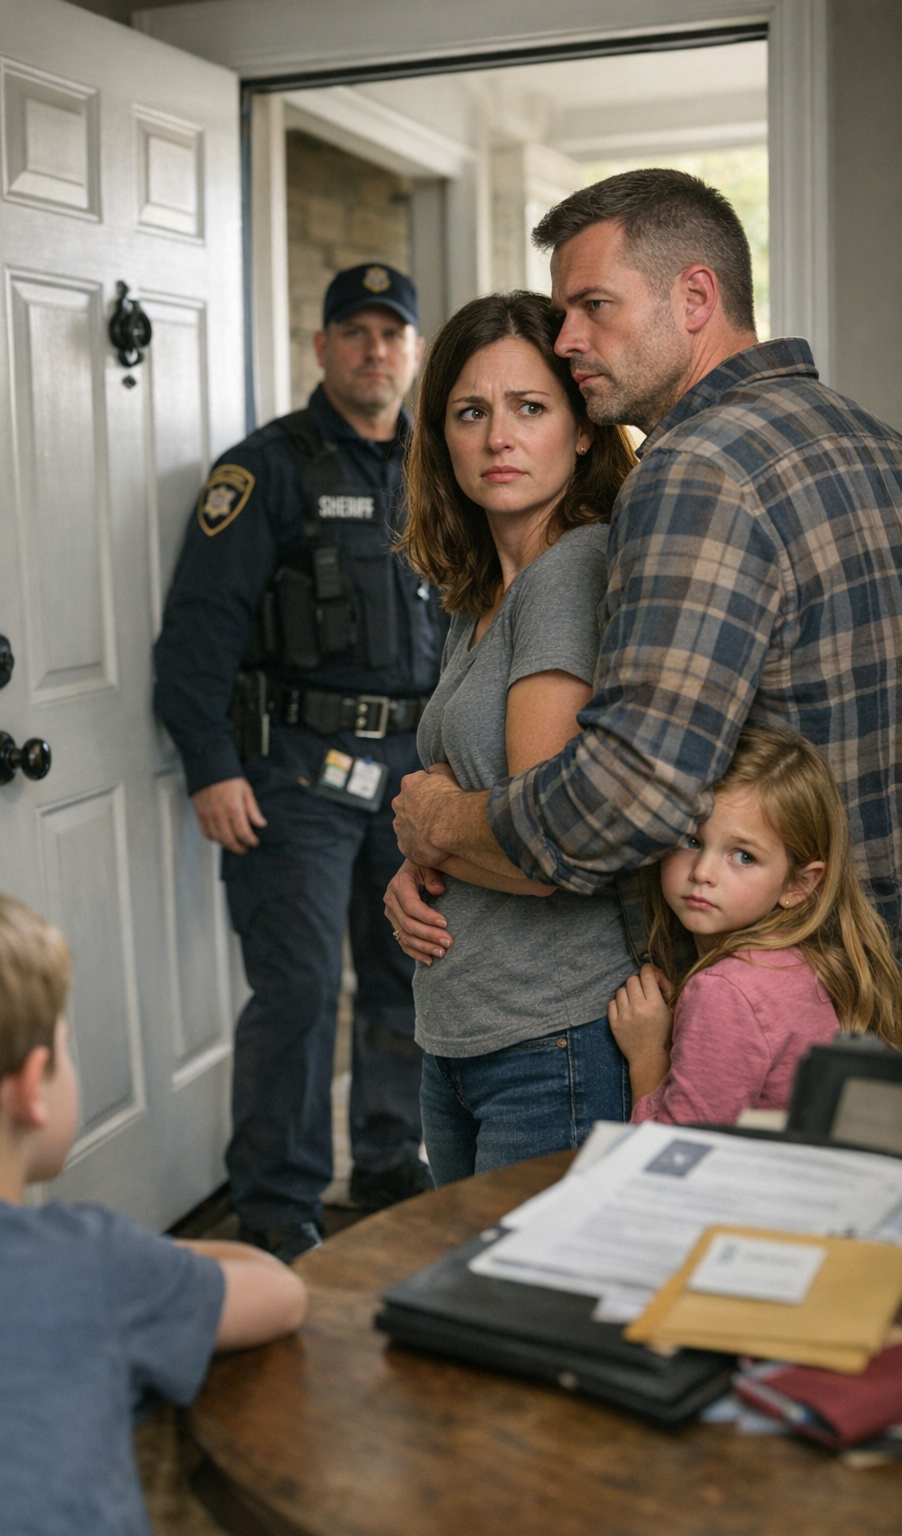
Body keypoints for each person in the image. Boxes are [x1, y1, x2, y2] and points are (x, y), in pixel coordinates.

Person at [387, 169, 902, 970]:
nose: (566, 342)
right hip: (873, 958)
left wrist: (439, 824)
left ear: (696, 298)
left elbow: (627, 796)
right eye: (563, 316)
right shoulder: (871, 437)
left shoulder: (696, 469)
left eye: (595, 307)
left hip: (792, 977)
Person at [155, 264, 447, 1262]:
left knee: (408, 972)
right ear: (320, 349)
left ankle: (387, 1155)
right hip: (294, 773)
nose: (375, 349)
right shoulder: (267, 468)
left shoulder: (437, 466)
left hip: (414, 771)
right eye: (355, 332)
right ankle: (276, 1210)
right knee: (300, 987)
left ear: (413, 350)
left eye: (392, 334)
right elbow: (196, 632)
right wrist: (209, 764)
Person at [0, 866, 307, 1536]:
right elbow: (280, 1294)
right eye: (64, 1050)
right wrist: (137, 1253)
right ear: (31, 1090)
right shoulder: (90, 1262)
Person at [388, 291, 637, 1183]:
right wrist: (413, 868)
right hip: (461, 1029)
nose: (499, 437)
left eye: (530, 407)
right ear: (441, 439)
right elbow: (460, 791)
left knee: (520, 1314)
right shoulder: (484, 592)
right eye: (471, 412)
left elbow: (549, 844)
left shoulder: (568, 570)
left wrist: (426, 830)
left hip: (550, 1036)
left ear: (579, 429)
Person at [608, 728, 902, 1127]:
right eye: (692, 842)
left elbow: (680, 1156)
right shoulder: (797, 963)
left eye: (743, 856)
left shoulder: (725, 991)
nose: (703, 873)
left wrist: (647, 1057)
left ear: (799, 884)